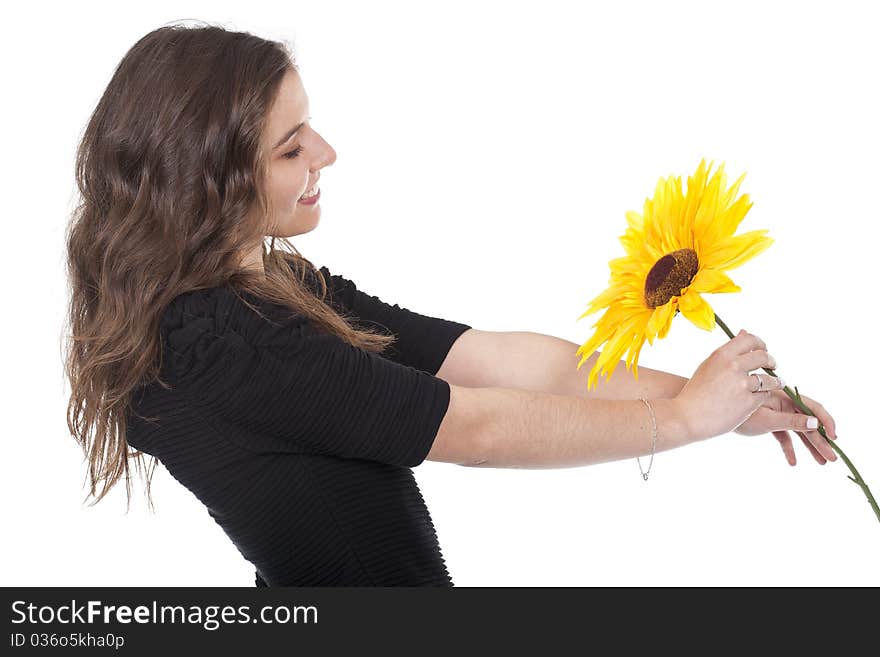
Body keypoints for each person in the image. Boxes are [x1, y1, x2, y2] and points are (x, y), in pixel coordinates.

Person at [63, 22, 838, 587]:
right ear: (209, 179)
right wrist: (682, 420)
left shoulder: (274, 291)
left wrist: (728, 401)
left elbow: (499, 359)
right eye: (291, 147)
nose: (326, 154)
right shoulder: (221, 341)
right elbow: (473, 424)